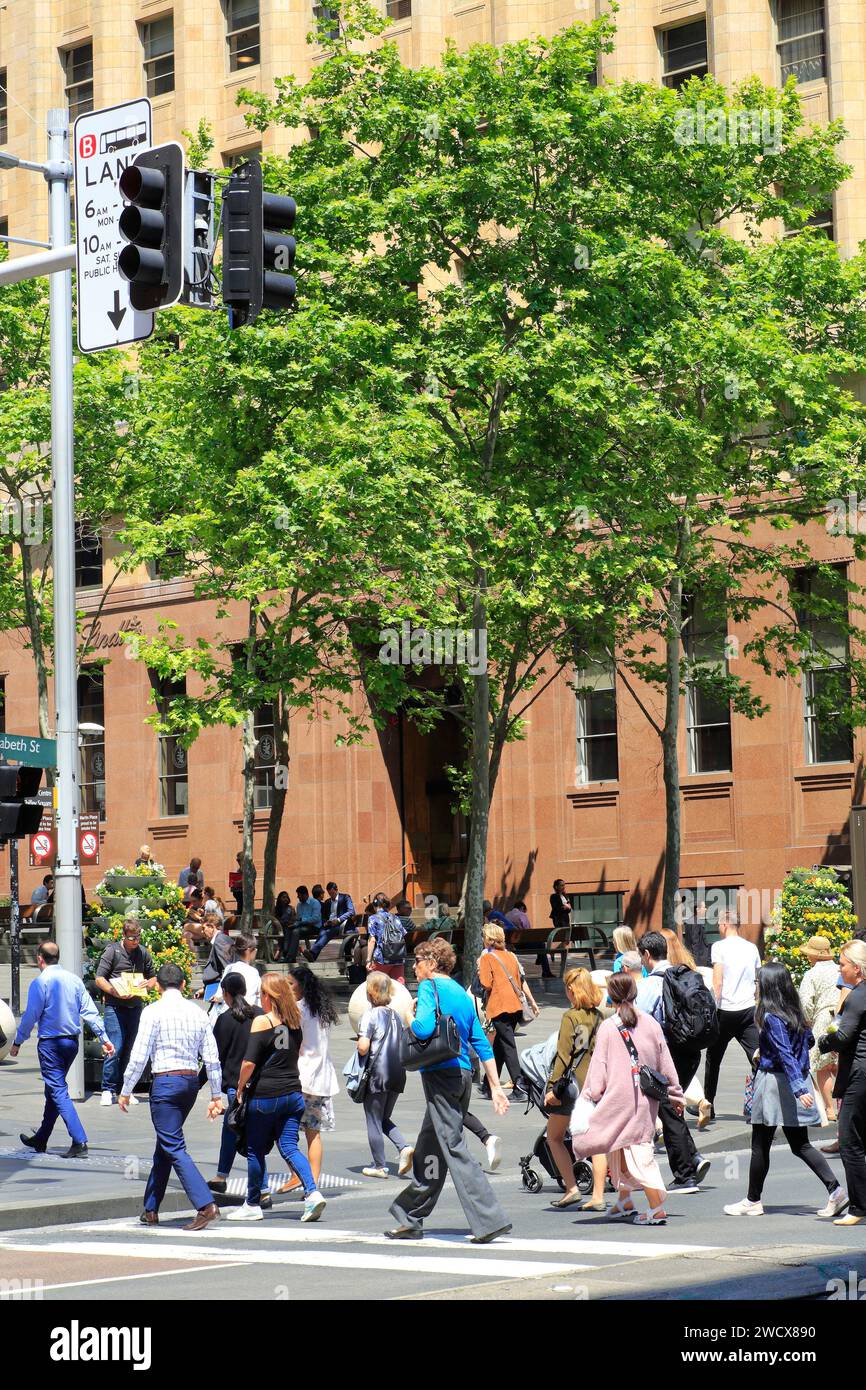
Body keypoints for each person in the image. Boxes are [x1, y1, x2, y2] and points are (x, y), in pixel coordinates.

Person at [387, 937, 512, 1243]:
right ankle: (410, 1216)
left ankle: (489, 1219)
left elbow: (423, 1029)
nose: (414, 968)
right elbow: (480, 1041)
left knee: (453, 1147)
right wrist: (495, 1086)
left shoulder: (431, 987)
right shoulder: (459, 991)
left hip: (440, 1074)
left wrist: (407, 1016)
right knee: (431, 1147)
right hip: (463, 1074)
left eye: (417, 961)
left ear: (431, 962)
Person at [724, 961, 847, 1220]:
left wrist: (798, 1087)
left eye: (758, 982)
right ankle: (835, 1191)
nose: (755, 986)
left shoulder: (770, 1016)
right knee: (799, 1144)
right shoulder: (794, 1012)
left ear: (767, 985)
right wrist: (766, 1051)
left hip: (773, 1084)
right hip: (790, 1079)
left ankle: (753, 1200)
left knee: (761, 1144)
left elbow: (785, 1053)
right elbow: (807, 1040)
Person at [571, 972, 683, 1225]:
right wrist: (676, 1094)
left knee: (634, 1149)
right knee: (624, 1146)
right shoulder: (652, 1024)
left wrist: (590, 1095)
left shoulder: (609, 1028)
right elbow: (666, 1062)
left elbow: (598, 1068)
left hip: (617, 1099)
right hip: (646, 1099)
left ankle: (656, 1208)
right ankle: (625, 1200)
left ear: (610, 996)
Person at [120, 962, 224, 1231]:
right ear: (182, 985)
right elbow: (212, 1058)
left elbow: (140, 1055)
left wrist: (126, 1089)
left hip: (165, 1082)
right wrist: (215, 1094)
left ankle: (205, 1204)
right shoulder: (198, 1012)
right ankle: (151, 1208)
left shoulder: (152, 1011)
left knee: (173, 1145)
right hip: (189, 1081)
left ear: (158, 986)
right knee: (166, 1141)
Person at [229, 973, 327, 1224]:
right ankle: (312, 1193)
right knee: (289, 1147)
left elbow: (249, 1062)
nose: (259, 997)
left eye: (262, 993)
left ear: (270, 997)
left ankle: (252, 1203)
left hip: (265, 1095)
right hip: (293, 1094)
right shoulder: (295, 1021)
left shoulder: (262, 1021)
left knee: (254, 1150)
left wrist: (240, 1087)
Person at [11, 941, 115, 1158]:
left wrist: (18, 1041)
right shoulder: (75, 981)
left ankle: (79, 1140)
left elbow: (31, 1015)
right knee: (53, 1090)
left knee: (57, 1090)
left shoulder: (41, 982)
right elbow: (90, 1012)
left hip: (51, 1044)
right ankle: (41, 1138)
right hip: (71, 1044)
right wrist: (104, 1038)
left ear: (40, 958)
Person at [635, 931, 711, 1195]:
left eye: (641, 955)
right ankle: (693, 1158)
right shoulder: (687, 975)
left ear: (646, 955)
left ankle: (685, 1175)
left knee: (668, 1110)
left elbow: (638, 1025)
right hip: (692, 1051)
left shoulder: (648, 986)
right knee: (671, 1108)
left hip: (667, 1054)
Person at [203, 972, 271, 1208]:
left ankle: (261, 1189)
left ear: (226, 993)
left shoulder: (224, 1020)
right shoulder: (261, 1016)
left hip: (236, 1087)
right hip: (261, 1085)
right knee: (248, 1135)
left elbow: (215, 1057)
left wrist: (201, 1083)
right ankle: (223, 1177)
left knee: (240, 1135)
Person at [543, 968, 607, 1210]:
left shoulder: (570, 1017)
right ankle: (599, 1195)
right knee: (596, 1141)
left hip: (572, 1087)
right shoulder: (599, 1017)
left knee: (555, 1137)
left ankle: (572, 1188)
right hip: (595, 1083)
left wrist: (552, 1088)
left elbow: (563, 1056)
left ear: (572, 989)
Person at [276, 964, 340, 1196]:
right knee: (313, 1133)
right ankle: (310, 1180)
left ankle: (300, 1177)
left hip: (303, 1076)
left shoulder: (298, 1009)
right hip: (322, 1076)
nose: (287, 987)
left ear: (301, 986)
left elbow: (286, 1041)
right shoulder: (321, 1008)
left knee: (284, 1130)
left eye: (291, 983)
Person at [816, 939, 866, 1226]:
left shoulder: (857, 995)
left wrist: (825, 1041)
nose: (839, 967)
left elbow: (843, 1035)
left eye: (843, 964)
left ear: (857, 970)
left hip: (859, 1073)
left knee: (849, 1142)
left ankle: (859, 1208)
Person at [702, 911, 761, 1123]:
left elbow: (717, 981)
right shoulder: (752, 947)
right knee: (757, 1058)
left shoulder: (719, 947)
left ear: (726, 924)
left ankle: (709, 1105)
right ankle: (759, 1106)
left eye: (719, 924)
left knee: (713, 1059)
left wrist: (712, 1009)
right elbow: (757, 981)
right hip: (747, 1010)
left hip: (724, 1010)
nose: (718, 927)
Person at [94, 919, 158, 1107]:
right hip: (115, 1006)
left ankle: (125, 1090)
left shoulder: (143, 952)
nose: (135, 941)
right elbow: (99, 978)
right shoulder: (112, 951)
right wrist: (114, 991)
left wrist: (149, 983)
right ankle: (108, 1089)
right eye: (132, 938)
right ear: (124, 936)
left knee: (131, 1049)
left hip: (135, 1006)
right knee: (115, 1047)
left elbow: (153, 975)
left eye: (138, 938)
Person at [357, 972, 414, 1178]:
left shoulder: (370, 1015)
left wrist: (360, 1043)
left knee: (373, 1119)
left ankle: (379, 1165)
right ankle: (403, 1146)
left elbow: (363, 1048)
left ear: (370, 992)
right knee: (383, 1117)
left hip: (377, 1075)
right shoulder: (395, 1016)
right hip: (397, 1073)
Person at [477, 923, 539, 1102]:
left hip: (499, 1005)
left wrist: (481, 973)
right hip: (514, 1006)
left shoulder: (487, 958)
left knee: (508, 1045)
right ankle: (489, 1085)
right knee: (501, 1046)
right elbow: (520, 980)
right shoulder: (510, 955)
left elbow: (486, 984)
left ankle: (520, 1086)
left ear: (489, 939)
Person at [798, 936, 841, 1125]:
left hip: (823, 1018)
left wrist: (806, 1022)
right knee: (839, 1064)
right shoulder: (841, 968)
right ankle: (843, 1105)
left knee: (823, 1066)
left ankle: (829, 1108)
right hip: (842, 1017)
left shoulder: (812, 974)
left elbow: (806, 1002)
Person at [366, 894, 408, 984]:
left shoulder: (373, 918)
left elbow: (372, 940)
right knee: (399, 986)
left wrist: (368, 960)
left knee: (377, 986)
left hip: (382, 957)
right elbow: (403, 934)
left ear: (375, 904)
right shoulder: (395, 918)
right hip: (398, 956)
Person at [213, 933, 260, 1012]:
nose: (256, 950)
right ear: (248, 950)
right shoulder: (253, 972)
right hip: (245, 1013)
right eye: (255, 948)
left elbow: (219, 995)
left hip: (228, 1011)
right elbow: (252, 997)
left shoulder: (229, 968)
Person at [308, 881, 355, 960]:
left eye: (332, 893)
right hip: (330, 924)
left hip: (342, 924)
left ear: (336, 890)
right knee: (322, 932)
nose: (331, 896)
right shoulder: (328, 902)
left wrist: (338, 920)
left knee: (328, 933)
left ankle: (312, 952)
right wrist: (326, 922)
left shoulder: (345, 897)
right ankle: (312, 956)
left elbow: (351, 911)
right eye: (329, 894)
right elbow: (324, 916)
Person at [196, 914, 235, 1003]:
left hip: (221, 991)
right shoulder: (220, 940)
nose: (202, 932)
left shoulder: (220, 941)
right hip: (215, 988)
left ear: (212, 927)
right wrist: (204, 989)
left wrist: (221, 994)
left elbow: (229, 968)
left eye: (203, 928)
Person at [294, 885, 322, 956]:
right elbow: (298, 918)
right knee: (289, 930)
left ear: (305, 895)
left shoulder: (315, 902)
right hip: (302, 926)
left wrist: (301, 920)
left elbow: (316, 919)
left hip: (314, 927)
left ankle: (291, 955)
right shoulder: (299, 905)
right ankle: (288, 953)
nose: (298, 897)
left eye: (299, 895)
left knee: (295, 931)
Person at [273, 891, 300, 963]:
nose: (285, 899)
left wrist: (291, 923)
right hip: (278, 929)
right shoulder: (276, 909)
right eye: (283, 897)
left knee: (289, 931)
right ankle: (285, 953)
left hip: (289, 928)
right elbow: (274, 921)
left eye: (286, 897)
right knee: (285, 931)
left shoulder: (291, 908)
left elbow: (294, 919)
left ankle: (283, 952)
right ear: (279, 899)